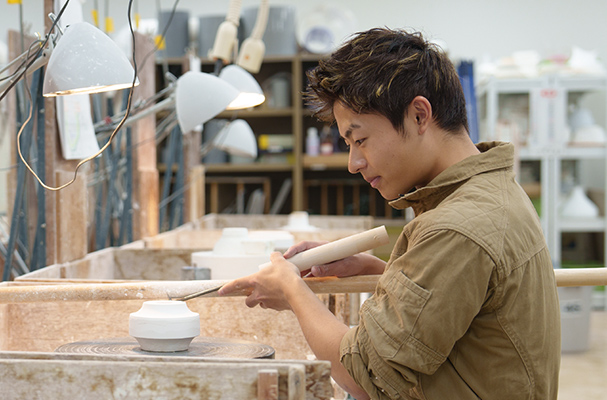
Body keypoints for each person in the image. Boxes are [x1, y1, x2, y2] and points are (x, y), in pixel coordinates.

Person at [219, 27, 561, 399]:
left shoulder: (458, 227)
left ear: (418, 115)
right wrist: (380, 271)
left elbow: (363, 375)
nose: (354, 162)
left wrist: (293, 291)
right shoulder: (489, 192)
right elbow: (466, 309)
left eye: (359, 139)